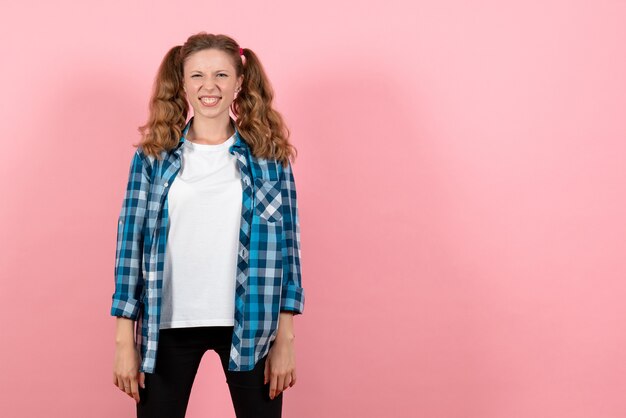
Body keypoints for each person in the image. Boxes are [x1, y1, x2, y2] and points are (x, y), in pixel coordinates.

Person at [110, 32, 305, 418]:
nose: (209, 86)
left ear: (239, 83)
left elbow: (288, 246)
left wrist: (286, 337)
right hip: (166, 324)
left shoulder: (269, 157)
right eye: (196, 76)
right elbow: (129, 244)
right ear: (182, 83)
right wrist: (123, 340)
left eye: (220, 74)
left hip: (251, 323)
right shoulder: (153, 157)